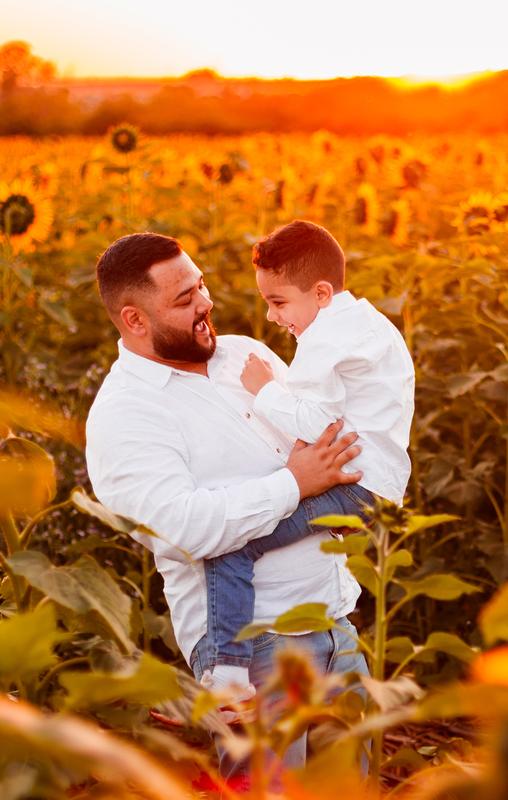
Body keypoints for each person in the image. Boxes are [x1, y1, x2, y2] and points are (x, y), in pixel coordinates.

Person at [84, 232, 367, 778]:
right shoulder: (125, 415)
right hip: (252, 650)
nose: (206, 303)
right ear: (135, 321)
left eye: (202, 285)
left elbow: (320, 438)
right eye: (184, 299)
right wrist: (295, 483)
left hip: (335, 624)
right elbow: (182, 528)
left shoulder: (246, 353)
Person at [202, 220, 415, 698]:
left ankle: (229, 672)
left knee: (233, 540)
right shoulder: (369, 324)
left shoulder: (325, 341)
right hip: (378, 485)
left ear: (321, 293)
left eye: (279, 302)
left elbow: (318, 423)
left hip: (352, 485)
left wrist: (263, 391)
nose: (274, 317)